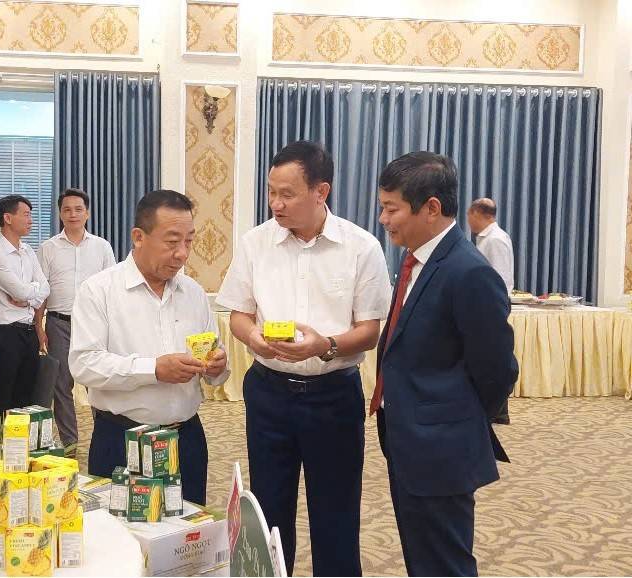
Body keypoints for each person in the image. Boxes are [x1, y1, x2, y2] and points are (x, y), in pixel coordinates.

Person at [216, 141, 391, 576]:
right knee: (269, 512)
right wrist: (253, 338)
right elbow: (239, 314)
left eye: (287, 194)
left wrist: (325, 346)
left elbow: (370, 330)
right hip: (269, 393)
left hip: (333, 395)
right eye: (271, 192)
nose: (276, 203)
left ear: (321, 191)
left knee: (336, 512)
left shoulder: (361, 247)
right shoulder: (256, 243)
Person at [374, 152, 518, 577]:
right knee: (423, 559)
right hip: (411, 441)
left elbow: (498, 370)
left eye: (391, 208)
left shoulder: (468, 271)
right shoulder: (417, 259)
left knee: (446, 565)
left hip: (441, 447)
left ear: (431, 208)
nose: (383, 218)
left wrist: (458, 421)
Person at [68, 189, 228, 505]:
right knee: (122, 541)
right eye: (171, 242)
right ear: (138, 237)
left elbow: (214, 363)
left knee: (185, 538)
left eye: (189, 241)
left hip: (187, 439)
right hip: (122, 438)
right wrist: (154, 369)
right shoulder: (99, 291)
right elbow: (85, 364)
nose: (182, 253)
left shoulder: (193, 293)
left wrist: (217, 367)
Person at [36, 188, 116, 449]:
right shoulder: (48, 248)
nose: (72, 214)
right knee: (61, 385)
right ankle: (70, 442)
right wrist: (39, 326)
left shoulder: (102, 247)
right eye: (67, 209)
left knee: (99, 382)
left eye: (78, 209)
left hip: (95, 325)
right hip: (59, 323)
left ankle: (104, 439)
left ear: (87, 213)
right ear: (60, 213)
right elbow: (41, 289)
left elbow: (112, 289)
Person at [0, 195, 50, 427]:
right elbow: (20, 291)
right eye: (26, 214)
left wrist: (28, 298)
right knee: (1, 394)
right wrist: (31, 294)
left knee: (26, 396)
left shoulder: (29, 251)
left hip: (28, 332)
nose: (31, 220)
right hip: (4, 333)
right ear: (7, 218)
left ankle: (18, 451)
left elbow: (45, 287)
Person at [466, 198, 515, 293]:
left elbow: (500, 278)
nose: (468, 220)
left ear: (475, 213)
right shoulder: (488, 238)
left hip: (492, 302)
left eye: (468, 215)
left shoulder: (495, 239)